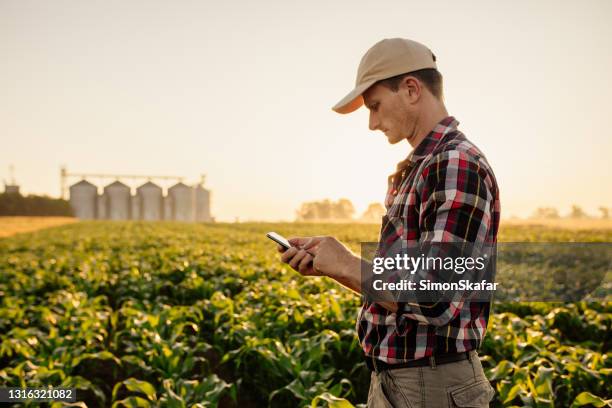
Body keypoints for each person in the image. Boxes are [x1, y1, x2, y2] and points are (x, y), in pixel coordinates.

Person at [279, 38, 500, 407]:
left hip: (432, 385)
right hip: (399, 382)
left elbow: (437, 296)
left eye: (375, 106)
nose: (371, 123)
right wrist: (336, 268)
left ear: (411, 89)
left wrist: (349, 263)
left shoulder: (455, 163)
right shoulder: (421, 168)